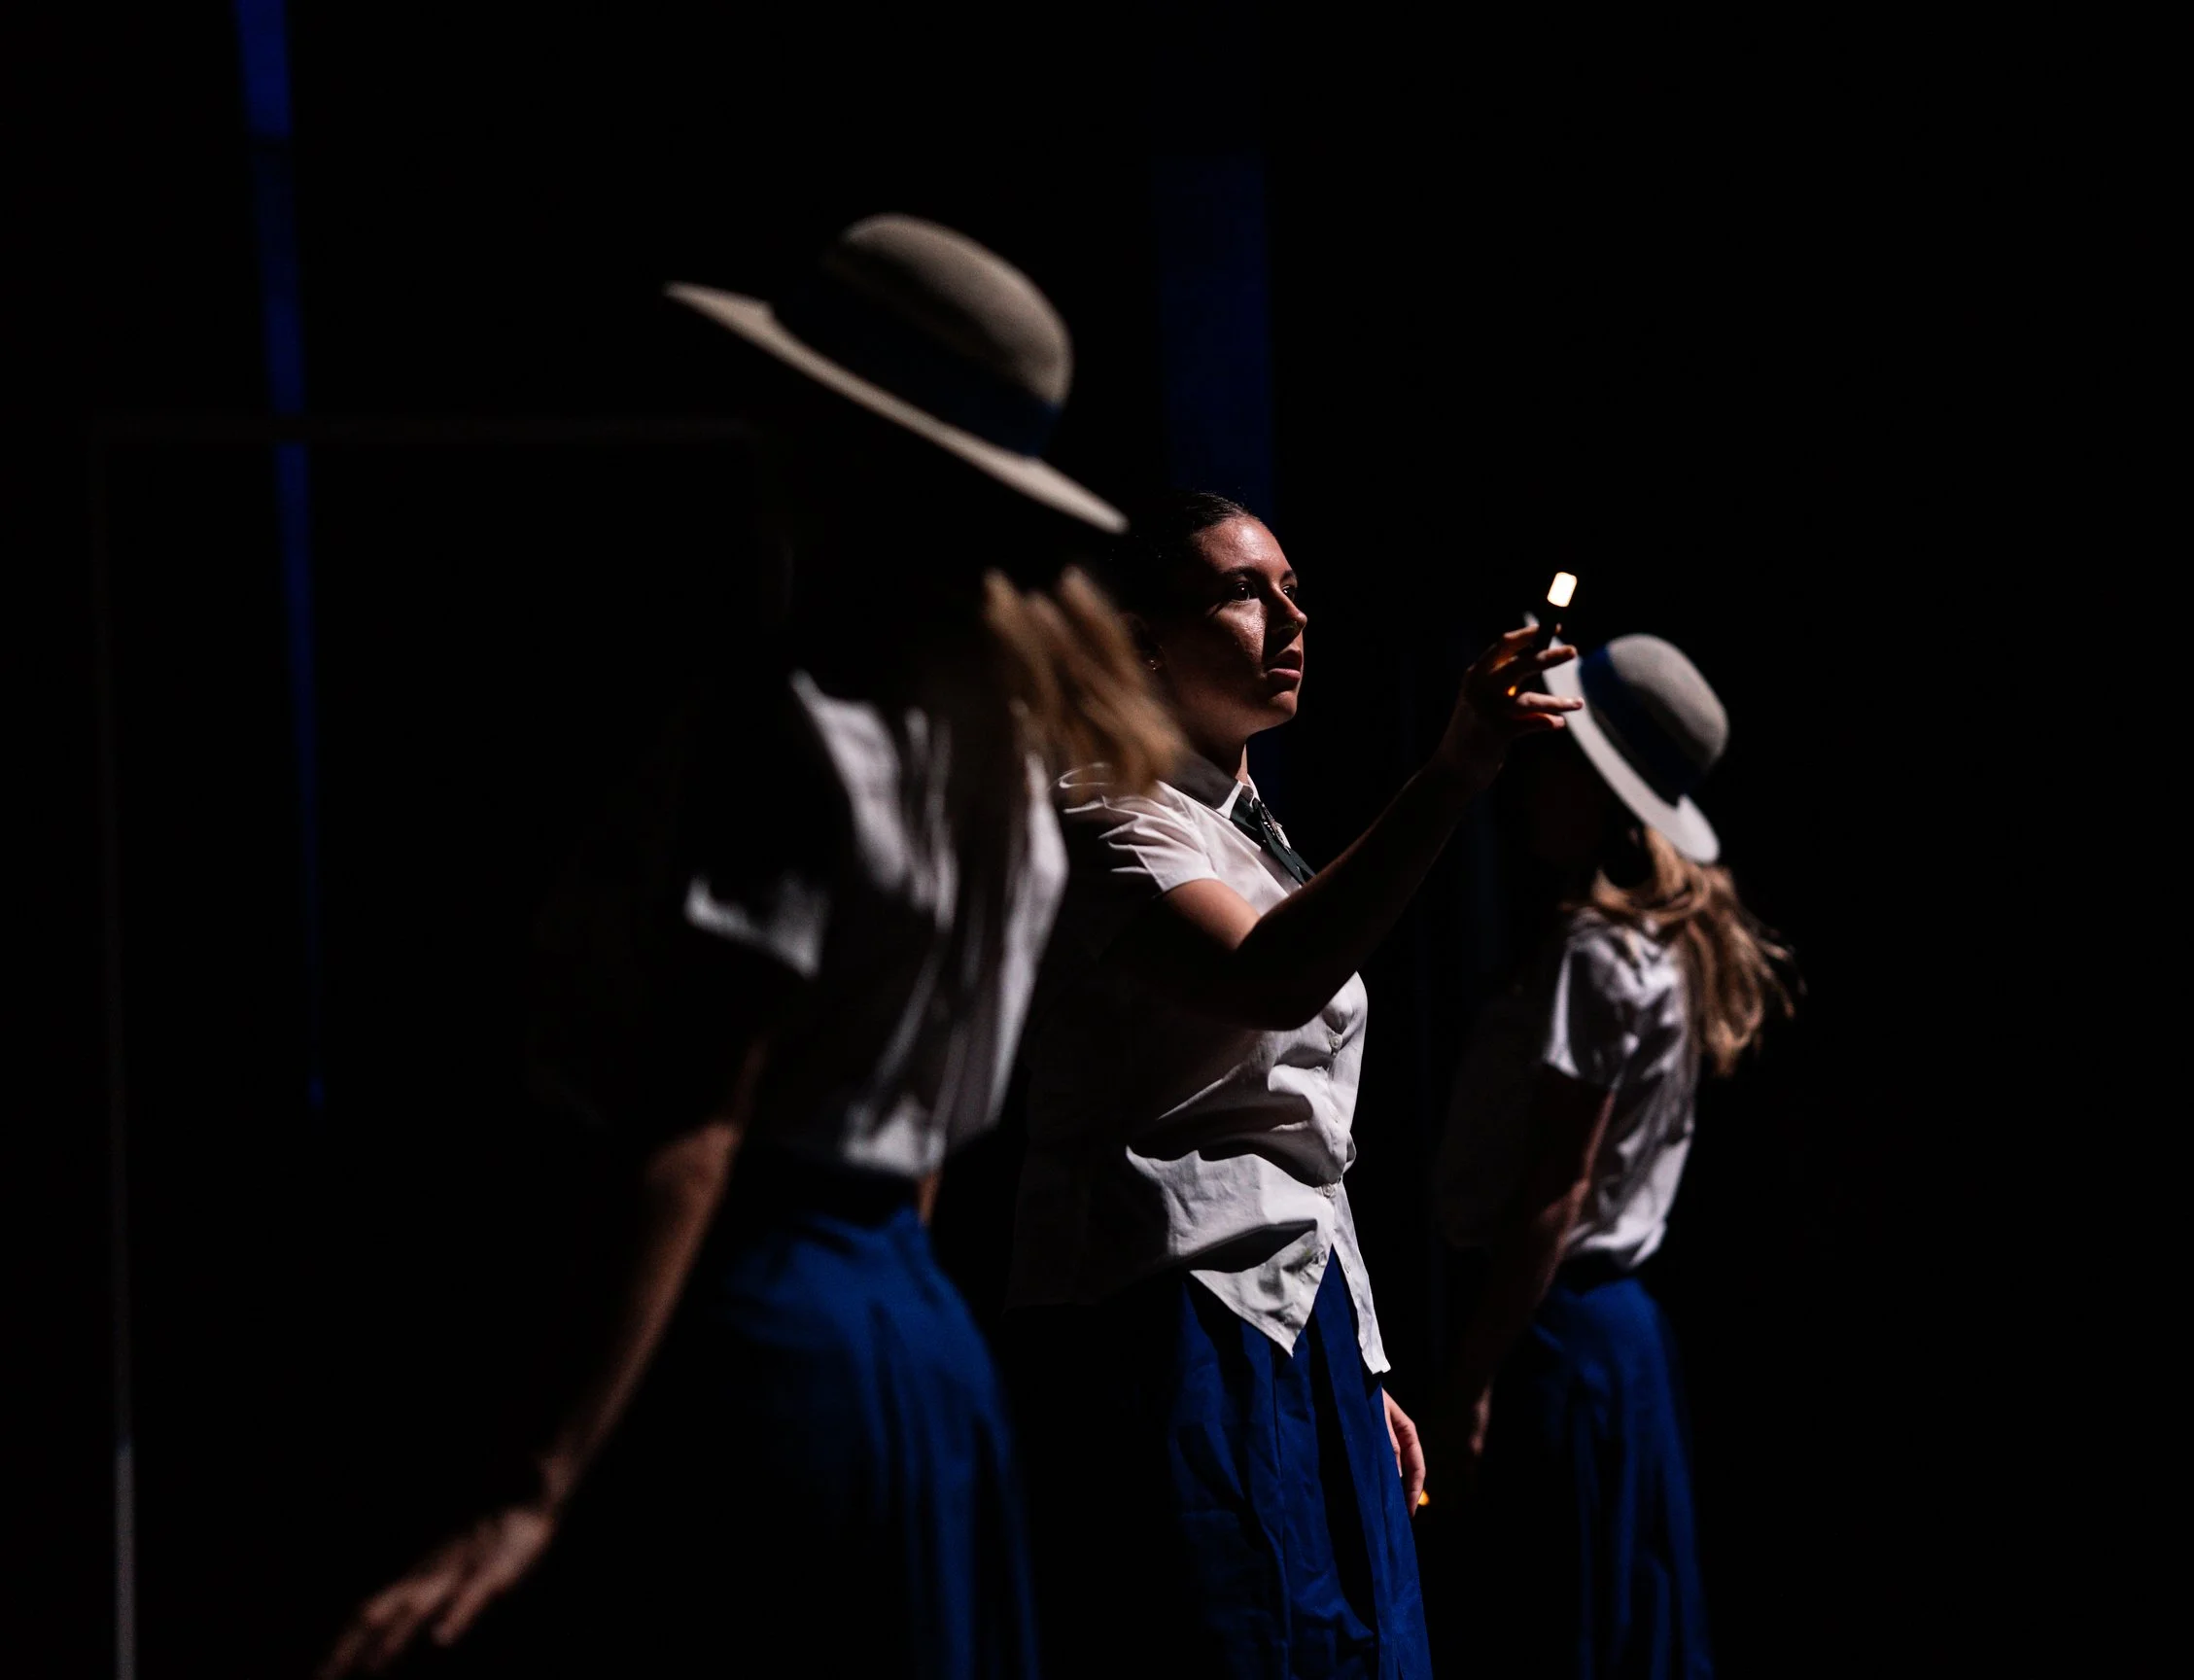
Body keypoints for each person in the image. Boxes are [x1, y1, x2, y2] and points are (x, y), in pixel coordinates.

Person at [319, 215, 1177, 1679]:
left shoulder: (799, 733)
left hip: (766, 1324)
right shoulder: (1010, 751)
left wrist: (534, 1487)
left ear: (842, 444)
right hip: (916, 1341)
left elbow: (696, 1124)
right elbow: (915, 1165)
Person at [1003, 491, 1583, 1679]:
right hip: (1172, 1316)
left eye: (1295, 591)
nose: (1289, 617)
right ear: (1142, 640)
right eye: (1241, 590)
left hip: (1293, 1317)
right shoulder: (1102, 813)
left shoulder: (1257, 834)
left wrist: (1360, 1360)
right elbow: (1275, 978)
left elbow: (1309, 1138)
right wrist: (1455, 770)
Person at [1431, 633, 1794, 1680]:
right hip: (1611, 1332)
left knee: (1558, 1622)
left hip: (1557, 1330)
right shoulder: (1654, 945)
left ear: (1597, 789)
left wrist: (1467, 1384)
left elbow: (1557, 1189)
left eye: (1555, 756)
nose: (1531, 777)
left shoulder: (1597, 956)